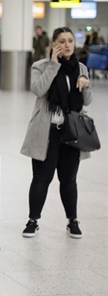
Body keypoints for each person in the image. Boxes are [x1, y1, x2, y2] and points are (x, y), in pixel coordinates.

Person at [21, 27, 92, 240]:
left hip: (71, 133)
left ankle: (73, 221)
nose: (68, 45)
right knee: (41, 178)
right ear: (54, 44)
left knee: (69, 179)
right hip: (47, 133)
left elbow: (86, 101)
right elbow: (38, 90)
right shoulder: (40, 66)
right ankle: (33, 220)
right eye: (62, 41)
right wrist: (54, 65)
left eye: (70, 40)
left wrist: (85, 84)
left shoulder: (80, 68)